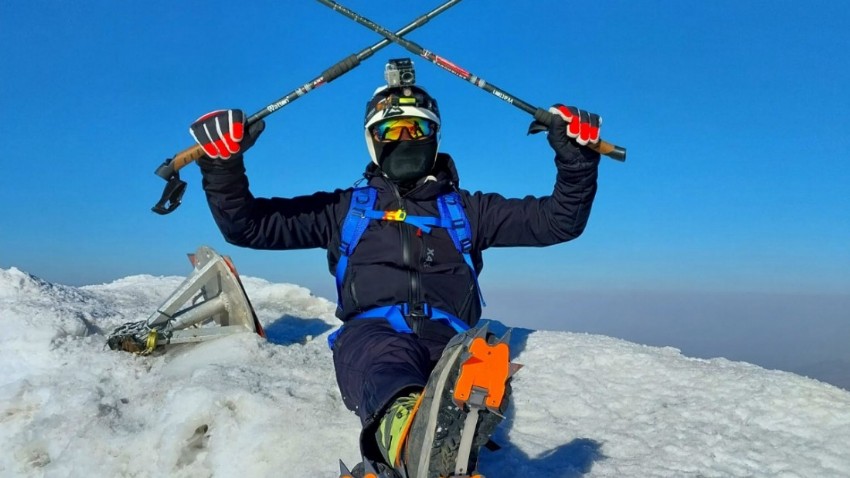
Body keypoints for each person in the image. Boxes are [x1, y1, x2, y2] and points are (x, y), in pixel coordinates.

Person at [191, 65, 602, 477]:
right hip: (371, 335)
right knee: (386, 363)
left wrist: (576, 162)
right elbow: (249, 225)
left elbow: (557, 221)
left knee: (475, 364)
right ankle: (412, 436)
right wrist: (224, 167)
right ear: (373, 141)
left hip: (450, 339)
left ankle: (437, 443)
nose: (405, 139)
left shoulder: (469, 210)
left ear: (435, 137)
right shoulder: (343, 210)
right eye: (391, 131)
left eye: (417, 129)